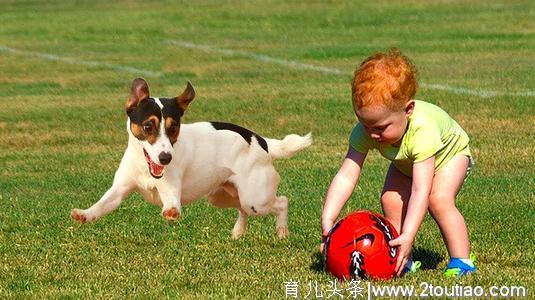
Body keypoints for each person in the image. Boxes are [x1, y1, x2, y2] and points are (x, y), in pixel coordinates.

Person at [321, 48, 476, 276]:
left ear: (408, 110)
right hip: (408, 161)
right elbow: (346, 175)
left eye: (381, 127)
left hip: (449, 156)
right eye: (365, 124)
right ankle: (403, 259)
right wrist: (329, 216)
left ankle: (462, 260)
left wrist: (409, 234)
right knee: (390, 198)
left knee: (438, 198)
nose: (372, 134)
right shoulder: (366, 131)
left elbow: (420, 190)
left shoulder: (422, 131)